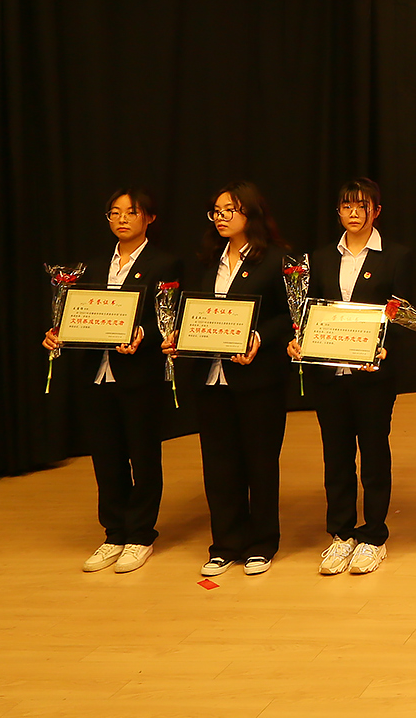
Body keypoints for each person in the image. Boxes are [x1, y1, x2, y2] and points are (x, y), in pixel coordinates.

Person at [44, 188, 182, 575]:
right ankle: (114, 533)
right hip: (96, 375)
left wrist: (144, 335)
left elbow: (169, 318)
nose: (122, 219)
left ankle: (140, 535)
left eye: (131, 212)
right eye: (114, 213)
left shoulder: (164, 263)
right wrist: (58, 334)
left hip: (139, 375)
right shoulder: (90, 268)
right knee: (106, 457)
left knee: (143, 456)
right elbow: (80, 317)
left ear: (149, 218)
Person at [169, 182, 293, 577]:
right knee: (219, 465)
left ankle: (262, 543)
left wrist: (260, 337)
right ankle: (225, 543)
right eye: (216, 211)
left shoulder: (275, 260)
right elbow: (196, 310)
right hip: (210, 377)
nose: (221, 218)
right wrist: (180, 335)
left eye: (229, 210)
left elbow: (289, 316)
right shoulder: (209, 260)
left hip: (258, 378)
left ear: (251, 213)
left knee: (260, 463)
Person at [293, 179, 411, 577]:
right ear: (338, 211)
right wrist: (300, 339)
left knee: (374, 455)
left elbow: (403, 313)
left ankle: (374, 535)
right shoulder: (321, 257)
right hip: (330, 374)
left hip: (373, 376)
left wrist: (385, 345)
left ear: (376, 211)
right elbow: (310, 310)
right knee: (336, 456)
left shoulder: (395, 256)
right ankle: (341, 534)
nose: (354, 213)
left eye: (363, 206)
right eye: (347, 206)